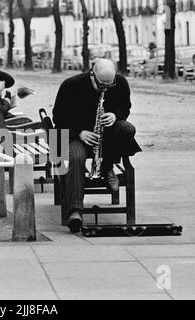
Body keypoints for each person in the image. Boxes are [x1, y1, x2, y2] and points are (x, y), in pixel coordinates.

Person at [53, 58, 141, 233]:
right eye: (102, 85)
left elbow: (125, 107)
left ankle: (107, 167)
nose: (106, 89)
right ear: (92, 75)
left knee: (127, 128)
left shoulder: (120, 83)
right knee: (76, 157)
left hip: (106, 137)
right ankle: (76, 211)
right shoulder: (71, 85)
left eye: (110, 84)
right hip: (75, 136)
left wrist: (116, 115)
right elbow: (59, 118)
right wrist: (80, 132)